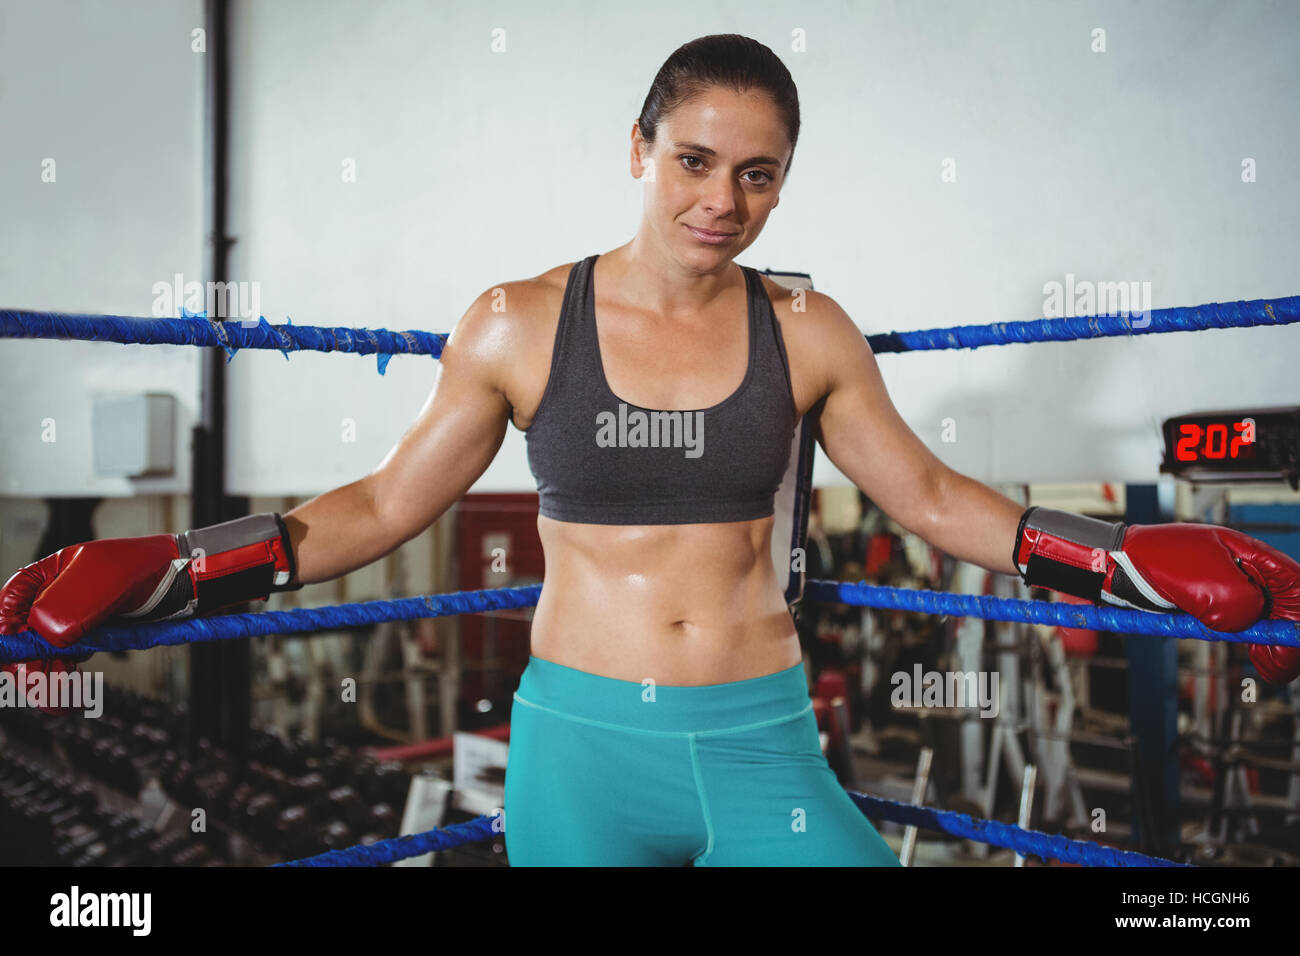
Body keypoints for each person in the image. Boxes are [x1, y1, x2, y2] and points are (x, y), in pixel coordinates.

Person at [4, 34, 1300, 866]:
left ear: (783, 184)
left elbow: (938, 499)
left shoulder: (807, 326)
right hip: (583, 748)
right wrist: (177, 565)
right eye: (693, 160)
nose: (719, 202)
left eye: (758, 176)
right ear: (637, 149)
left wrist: (1123, 553)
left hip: (760, 739)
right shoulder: (516, 322)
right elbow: (378, 506)